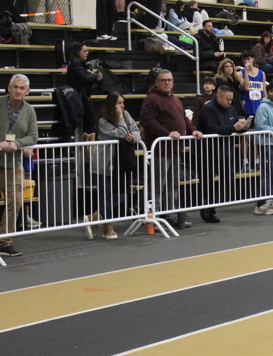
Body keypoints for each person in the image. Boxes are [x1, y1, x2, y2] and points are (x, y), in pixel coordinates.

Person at [0, 74, 39, 257]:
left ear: (27, 91)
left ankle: (5, 241)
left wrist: (17, 143)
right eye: (15, 87)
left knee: (15, 203)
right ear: (9, 88)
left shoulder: (30, 111)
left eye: (22, 88)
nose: (18, 91)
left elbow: (33, 136)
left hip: (14, 165)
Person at [140, 69, 203, 230]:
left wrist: (193, 130)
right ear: (157, 82)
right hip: (160, 151)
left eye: (170, 80)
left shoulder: (175, 99)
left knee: (172, 185)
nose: (167, 83)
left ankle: (170, 216)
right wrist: (166, 133)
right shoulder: (151, 100)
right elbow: (148, 121)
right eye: (164, 80)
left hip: (175, 150)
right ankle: (154, 218)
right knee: (157, 186)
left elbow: (184, 119)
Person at [197, 85, 251, 223]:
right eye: (228, 99)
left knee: (227, 181)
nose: (230, 102)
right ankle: (208, 210)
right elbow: (212, 128)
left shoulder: (231, 109)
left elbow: (234, 128)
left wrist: (243, 128)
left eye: (231, 99)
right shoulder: (208, 109)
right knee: (208, 184)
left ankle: (212, 207)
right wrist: (233, 128)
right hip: (208, 153)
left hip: (226, 152)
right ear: (219, 97)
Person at [92, 91, 140, 239]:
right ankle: (107, 226)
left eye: (123, 102)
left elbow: (136, 132)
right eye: (119, 103)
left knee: (120, 194)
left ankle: (95, 216)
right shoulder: (103, 119)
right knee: (105, 193)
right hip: (104, 162)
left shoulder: (126, 114)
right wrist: (120, 119)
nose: (122, 106)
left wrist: (132, 138)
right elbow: (121, 133)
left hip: (120, 162)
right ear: (112, 104)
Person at [253, 84, 273, 215]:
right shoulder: (263, 107)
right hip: (265, 144)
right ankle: (261, 204)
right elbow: (261, 126)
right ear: (267, 92)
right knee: (266, 174)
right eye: (271, 90)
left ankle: (270, 200)